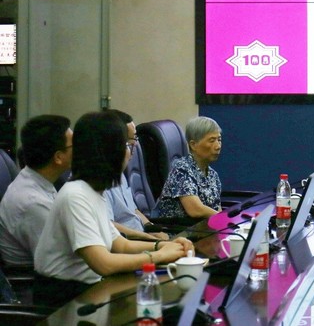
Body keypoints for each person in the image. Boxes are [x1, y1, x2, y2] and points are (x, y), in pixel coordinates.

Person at [33, 111, 192, 307]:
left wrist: (165, 245)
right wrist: (160, 256)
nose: (130, 152)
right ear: (108, 152)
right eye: (126, 146)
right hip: (66, 302)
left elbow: (120, 245)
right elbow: (104, 264)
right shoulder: (75, 196)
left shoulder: (93, 190)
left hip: (91, 291)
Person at [0, 115, 73, 266]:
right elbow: (60, 263)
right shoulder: (33, 203)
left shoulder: (40, 180)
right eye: (74, 145)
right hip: (35, 279)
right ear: (58, 157)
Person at [103, 110, 169, 242]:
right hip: (129, 242)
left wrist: (152, 228)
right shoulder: (99, 181)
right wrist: (150, 239)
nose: (135, 144)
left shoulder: (120, 175)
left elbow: (133, 210)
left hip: (142, 237)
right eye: (130, 141)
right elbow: (108, 226)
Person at [156, 116, 222, 219]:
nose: (218, 146)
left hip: (204, 227)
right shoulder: (181, 170)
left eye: (219, 140)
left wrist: (226, 223)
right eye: (212, 140)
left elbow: (217, 209)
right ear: (193, 145)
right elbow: (195, 210)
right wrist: (224, 219)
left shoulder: (213, 175)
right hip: (179, 228)